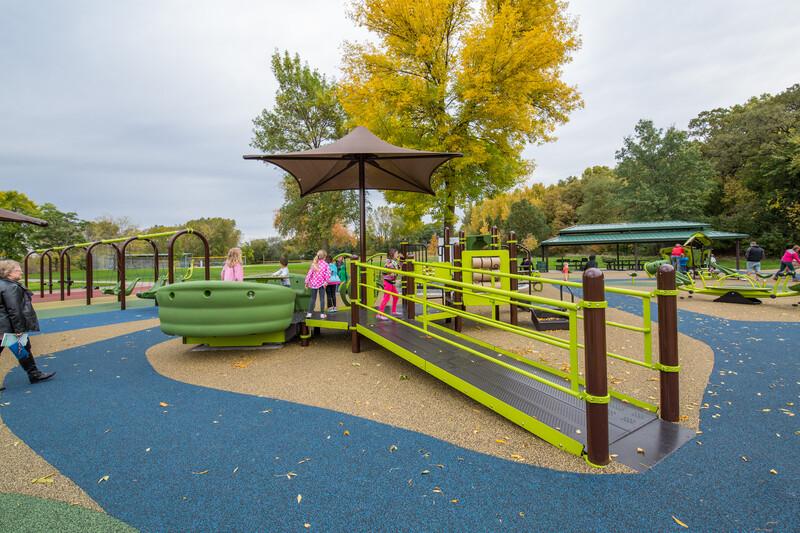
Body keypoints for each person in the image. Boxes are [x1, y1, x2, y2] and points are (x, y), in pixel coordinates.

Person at [0, 260, 55, 391]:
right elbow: (14, 310)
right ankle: (34, 374)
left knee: (23, 348)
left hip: (4, 326)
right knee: (22, 348)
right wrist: (19, 329)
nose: (21, 271)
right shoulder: (11, 287)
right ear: (8, 273)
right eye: (18, 269)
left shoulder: (3, 285)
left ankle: (34, 374)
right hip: (8, 327)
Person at [377, 249, 402, 319]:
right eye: (396, 254)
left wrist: (401, 261)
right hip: (388, 282)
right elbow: (387, 269)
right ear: (392, 254)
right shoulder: (389, 262)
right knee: (386, 298)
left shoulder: (394, 262)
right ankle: (379, 314)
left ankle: (394, 311)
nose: (397, 255)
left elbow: (399, 267)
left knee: (396, 296)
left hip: (391, 283)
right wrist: (392, 272)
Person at [305, 250, 330, 318]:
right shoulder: (326, 265)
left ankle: (309, 313)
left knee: (312, 298)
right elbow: (328, 274)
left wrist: (306, 282)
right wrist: (326, 282)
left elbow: (309, 273)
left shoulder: (314, 263)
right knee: (322, 299)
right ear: (325, 257)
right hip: (322, 283)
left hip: (314, 283)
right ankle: (322, 314)